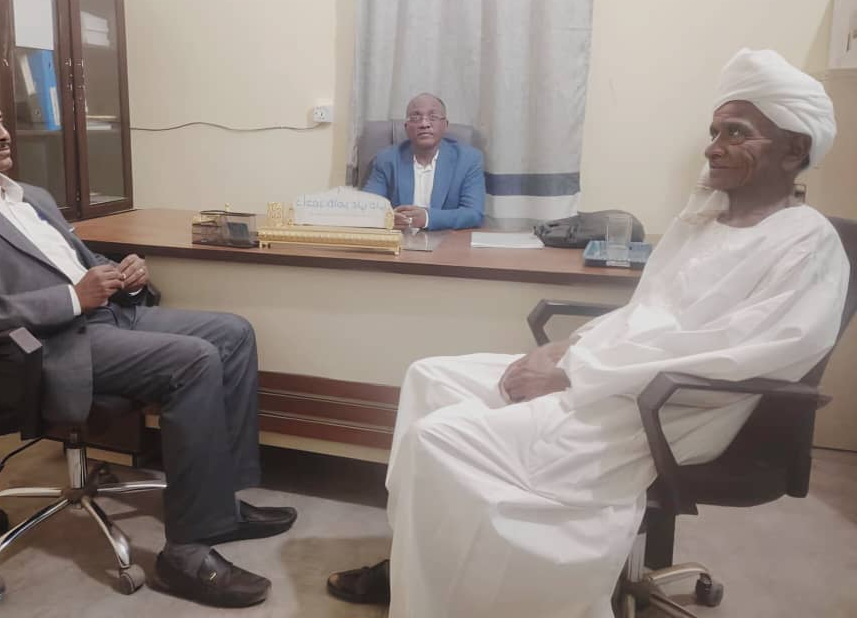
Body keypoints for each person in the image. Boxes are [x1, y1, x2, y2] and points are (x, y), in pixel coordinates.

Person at [328, 49, 849, 618]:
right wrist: (571, 346)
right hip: (617, 377)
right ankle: (420, 558)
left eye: (736, 133)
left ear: (794, 149)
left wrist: (572, 373)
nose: (713, 147)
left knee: (440, 440)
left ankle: (458, 595)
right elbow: (647, 314)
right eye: (714, 131)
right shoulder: (704, 221)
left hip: (671, 410)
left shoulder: (806, 244)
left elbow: (722, 358)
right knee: (429, 376)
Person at [0, 90, 294, 609]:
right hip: (41, 347)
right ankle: (185, 553)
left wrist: (124, 273)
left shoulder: (30, 195)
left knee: (232, 333)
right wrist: (71, 298)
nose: (4, 134)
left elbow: (75, 258)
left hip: (106, 315)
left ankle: (218, 507)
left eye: (1, 122)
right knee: (192, 360)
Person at [363, 93, 485, 230]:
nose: (424, 124)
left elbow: (474, 214)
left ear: (445, 125)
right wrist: (388, 219)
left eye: (433, 117)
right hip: (400, 238)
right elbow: (368, 209)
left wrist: (427, 218)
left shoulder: (468, 159)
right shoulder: (386, 159)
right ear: (406, 127)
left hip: (448, 240)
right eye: (416, 118)